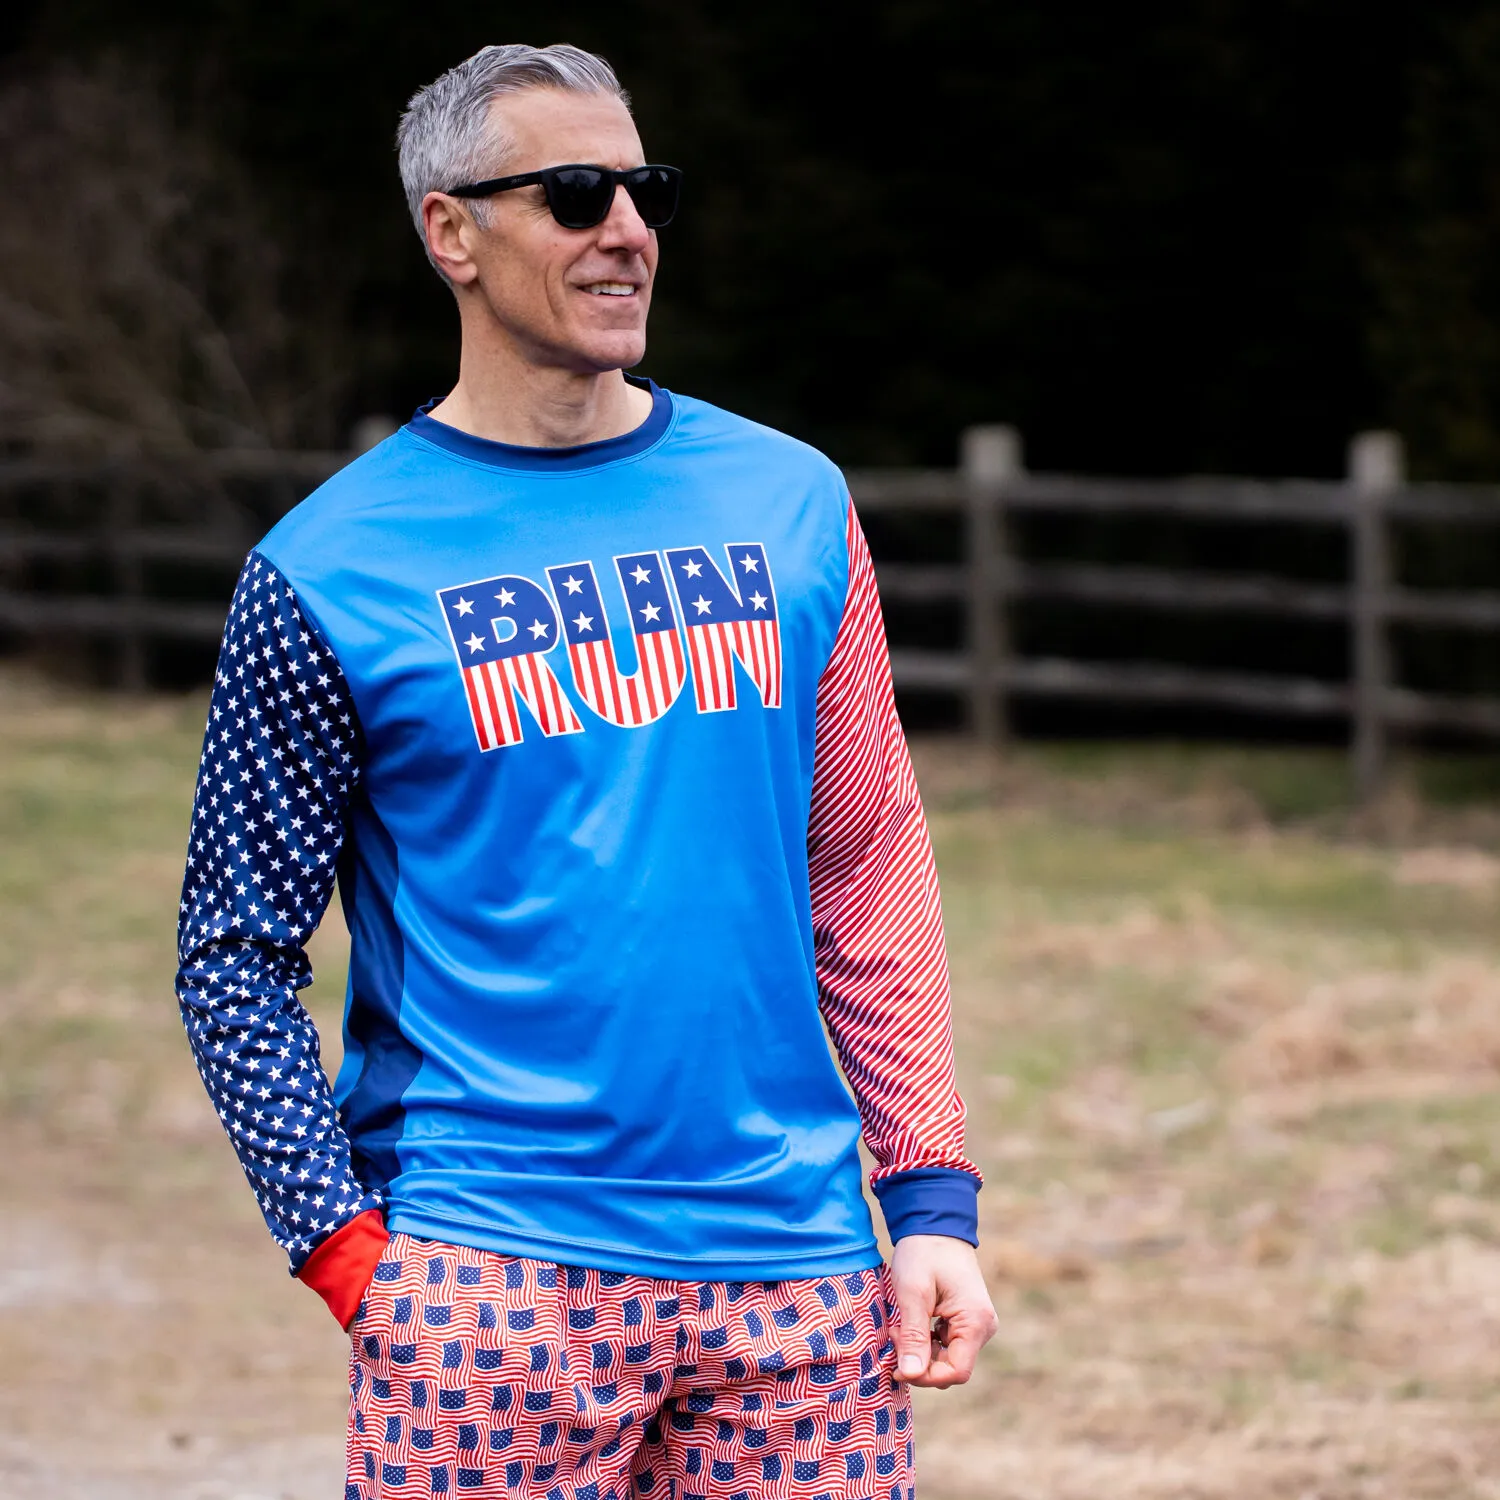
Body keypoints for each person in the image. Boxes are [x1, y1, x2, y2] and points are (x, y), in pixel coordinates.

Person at [175, 41, 996, 1500]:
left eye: (643, 191)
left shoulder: (792, 501)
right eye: (572, 195)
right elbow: (232, 952)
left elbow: (864, 860)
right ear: (452, 234)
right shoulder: (325, 571)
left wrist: (928, 1197)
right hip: (487, 1281)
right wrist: (350, 1255)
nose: (626, 230)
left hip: (799, 1279)